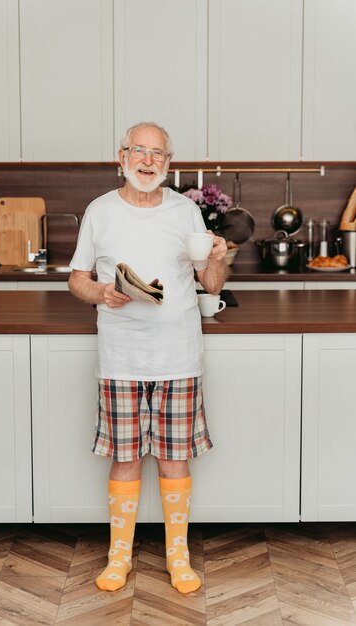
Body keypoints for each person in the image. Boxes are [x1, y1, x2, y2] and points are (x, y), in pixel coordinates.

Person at [68, 122, 227, 594]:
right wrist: (100, 292)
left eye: (158, 154)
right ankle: (119, 558)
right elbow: (76, 279)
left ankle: (178, 558)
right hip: (121, 357)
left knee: (175, 460)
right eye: (139, 151)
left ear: (168, 163)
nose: (148, 160)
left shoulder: (186, 212)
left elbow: (213, 285)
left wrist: (218, 254)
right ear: (121, 156)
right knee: (125, 458)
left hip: (178, 356)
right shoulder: (100, 211)